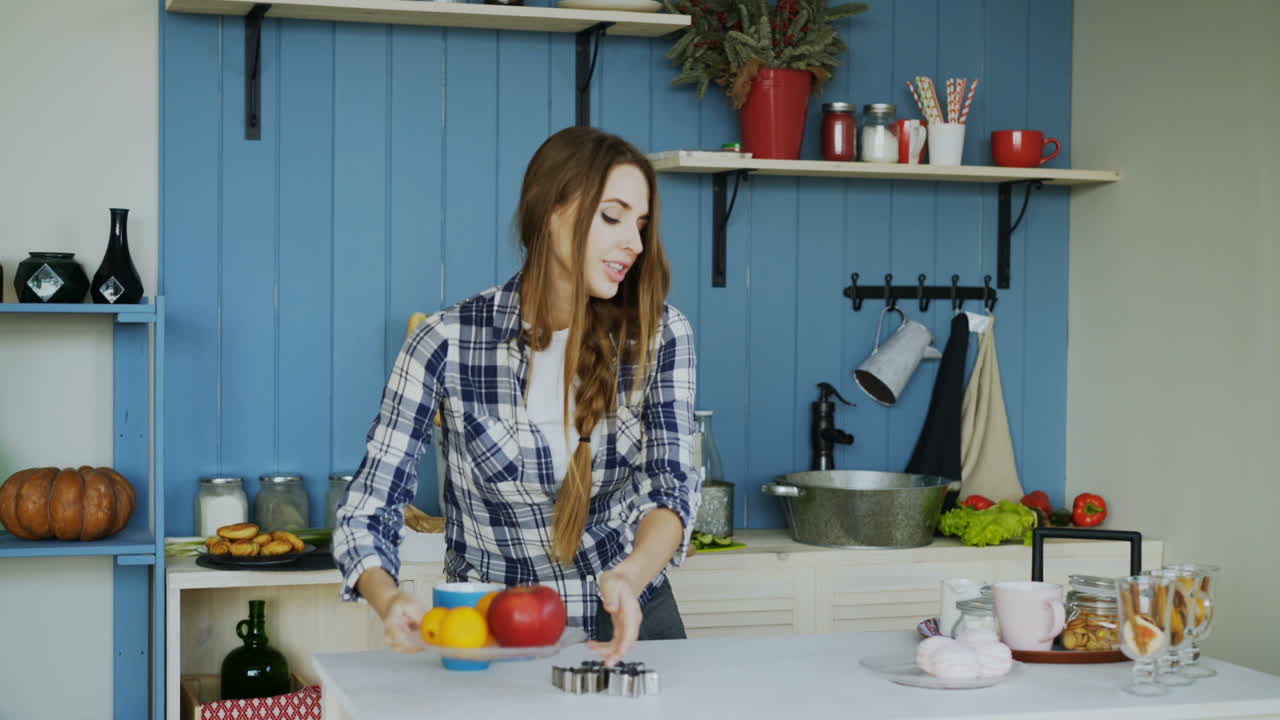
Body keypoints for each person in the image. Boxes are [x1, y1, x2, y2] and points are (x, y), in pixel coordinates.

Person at [332, 126, 700, 666]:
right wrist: (389, 601)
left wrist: (631, 573)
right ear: (552, 211)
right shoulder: (446, 341)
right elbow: (368, 508)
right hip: (492, 633)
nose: (636, 244)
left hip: (628, 617)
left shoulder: (662, 332)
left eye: (641, 224)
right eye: (613, 217)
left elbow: (670, 487)